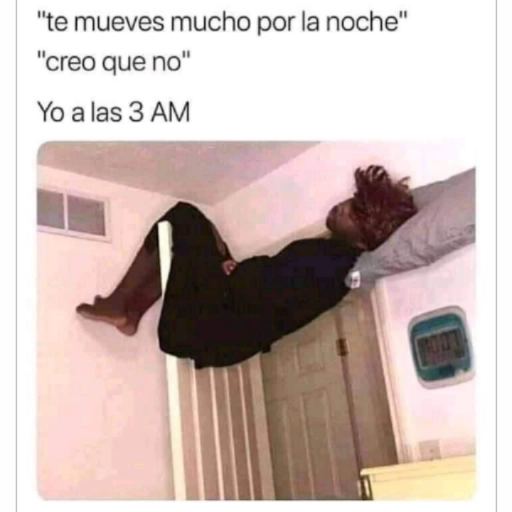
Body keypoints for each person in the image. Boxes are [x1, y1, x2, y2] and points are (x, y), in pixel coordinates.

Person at [76, 166, 417, 368]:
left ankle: (119, 305)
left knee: (184, 218)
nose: (342, 206)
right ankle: (130, 313)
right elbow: (271, 290)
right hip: (217, 326)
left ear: (364, 236)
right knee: (196, 234)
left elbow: (266, 291)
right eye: (351, 201)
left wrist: (237, 272)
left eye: (354, 212)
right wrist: (236, 269)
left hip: (201, 326)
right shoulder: (334, 261)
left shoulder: (329, 264)